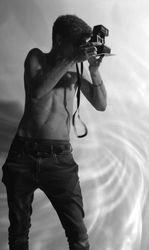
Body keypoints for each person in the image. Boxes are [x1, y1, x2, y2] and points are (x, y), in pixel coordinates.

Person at [1, 14, 107, 250]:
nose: (81, 48)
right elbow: (38, 90)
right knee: (18, 234)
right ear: (59, 40)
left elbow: (101, 105)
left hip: (59, 159)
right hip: (23, 155)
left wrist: (94, 70)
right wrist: (71, 58)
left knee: (79, 236)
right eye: (76, 43)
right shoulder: (36, 57)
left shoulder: (76, 70)